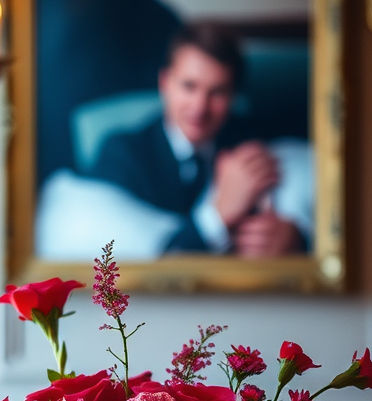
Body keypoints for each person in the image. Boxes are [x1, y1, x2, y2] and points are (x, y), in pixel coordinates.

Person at [90, 22, 304, 257]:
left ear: (233, 96)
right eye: (189, 86)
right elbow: (130, 259)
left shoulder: (255, 141)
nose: (200, 107)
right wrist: (218, 216)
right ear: (165, 83)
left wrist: (296, 240)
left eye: (218, 92)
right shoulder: (121, 155)